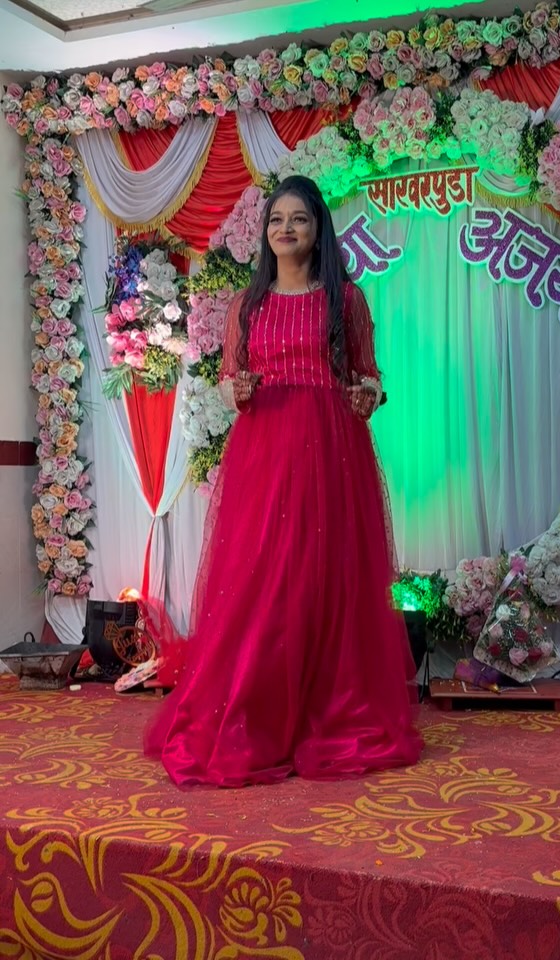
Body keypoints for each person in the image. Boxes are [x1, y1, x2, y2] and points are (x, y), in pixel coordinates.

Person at [145, 175, 423, 787]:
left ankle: (327, 709)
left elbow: (371, 376)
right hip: (265, 452)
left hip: (330, 450)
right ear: (265, 232)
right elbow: (231, 379)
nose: (286, 229)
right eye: (276, 220)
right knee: (261, 579)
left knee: (325, 579)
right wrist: (236, 390)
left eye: (298, 219)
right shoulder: (247, 306)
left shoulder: (345, 301)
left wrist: (366, 395)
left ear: (318, 229)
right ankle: (259, 709)